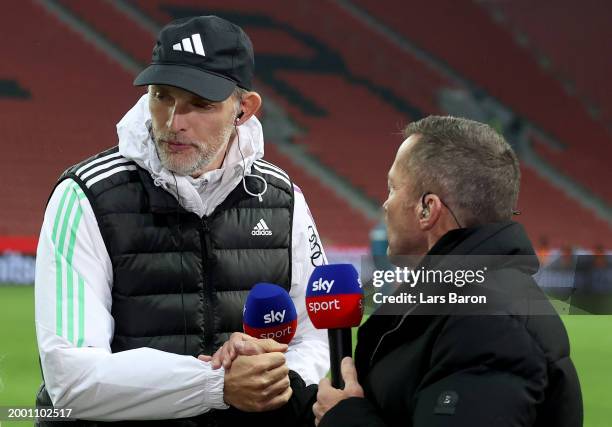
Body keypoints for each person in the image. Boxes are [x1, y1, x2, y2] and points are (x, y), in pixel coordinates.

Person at [34, 15, 328, 425]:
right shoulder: (85, 195)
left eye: (200, 104)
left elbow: (313, 337)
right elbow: (70, 379)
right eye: (162, 96)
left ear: (244, 108)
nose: (174, 122)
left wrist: (270, 377)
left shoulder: (284, 199)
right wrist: (218, 385)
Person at [311, 116, 583, 426]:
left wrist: (344, 418)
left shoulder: (488, 324)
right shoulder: (455, 301)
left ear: (428, 209)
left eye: (392, 188)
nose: (385, 205)